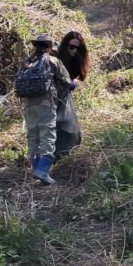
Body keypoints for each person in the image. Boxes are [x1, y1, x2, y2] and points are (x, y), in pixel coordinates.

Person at [20, 34, 71, 185]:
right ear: (49, 46)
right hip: (46, 103)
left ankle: (36, 169)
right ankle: (42, 171)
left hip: (28, 104)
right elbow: (66, 81)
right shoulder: (52, 60)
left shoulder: (27, 62)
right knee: (47, 135)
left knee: (33, 136)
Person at [55, 31, 89, 159]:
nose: (74, 50)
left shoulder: (76, 58)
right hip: (52, 97)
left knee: (70, 127)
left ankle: (65, 154)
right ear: (65, 45)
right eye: (72, 47)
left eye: (78, 48)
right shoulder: (55, 57)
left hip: (65, 96)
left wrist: (72, 82)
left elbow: (79, 75)